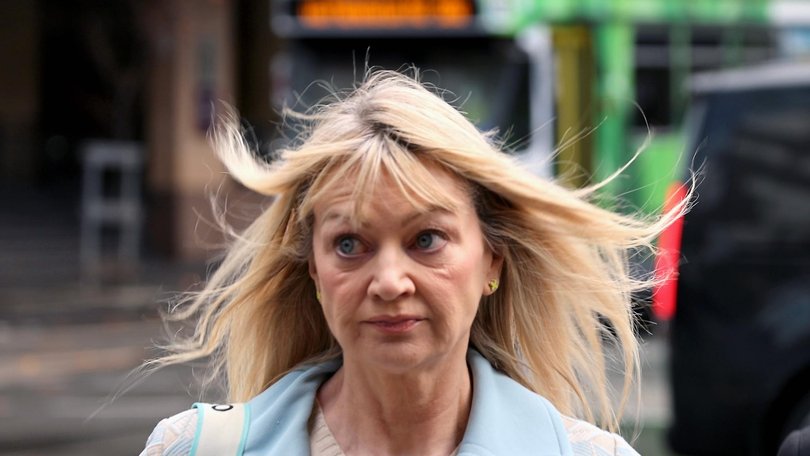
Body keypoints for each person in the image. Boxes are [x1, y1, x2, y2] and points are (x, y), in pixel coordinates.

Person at [140, 69, 685, 455]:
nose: (389, 281)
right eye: (350, 245)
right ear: (314, 270)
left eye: (427, 239)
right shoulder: (189, 449)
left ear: (492, 260)